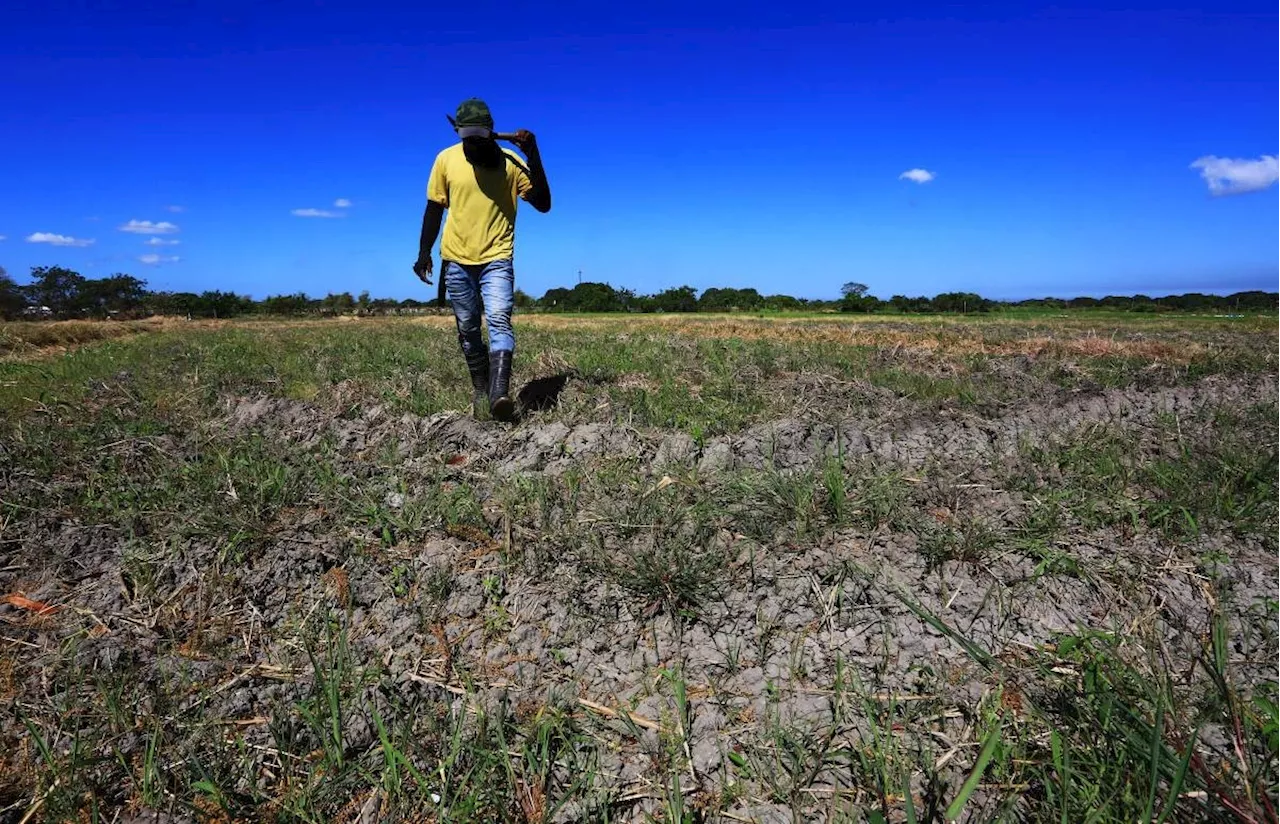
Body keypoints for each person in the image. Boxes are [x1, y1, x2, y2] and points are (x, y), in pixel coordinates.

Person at [414, 98, 551, 422]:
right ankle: (481, 389)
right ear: (459, 134)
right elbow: (434, 208)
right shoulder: (445, 160)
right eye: (467, 139)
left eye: (478, 138)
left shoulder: (511, 163)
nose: (472, 146)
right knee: (468, 329)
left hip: (497, 257)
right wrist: (423, 253)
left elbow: (543, 204)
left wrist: (533, 154)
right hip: (456, 259)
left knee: (500, 319)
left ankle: (499, 395)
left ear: (491, 133)